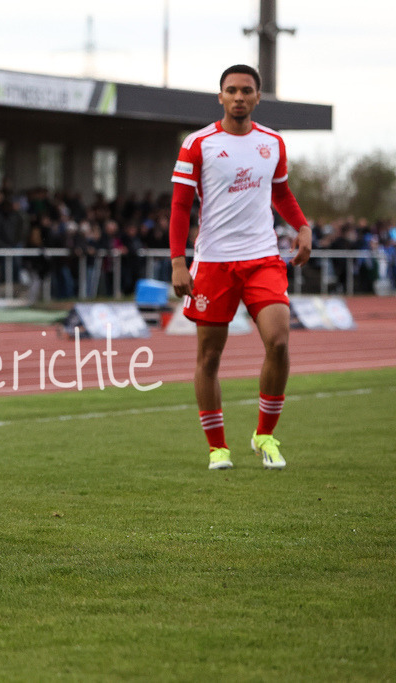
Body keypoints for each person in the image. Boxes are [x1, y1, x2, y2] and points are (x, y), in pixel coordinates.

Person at [169, 64, 312, 471]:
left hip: (263, 258)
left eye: (246, 90)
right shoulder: (198, 144)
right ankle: (218, 447)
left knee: (279, 341)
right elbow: (180, 206)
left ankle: (265, 435)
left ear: (257, 97)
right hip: (213, 263)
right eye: (231, 90)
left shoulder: (273, 142)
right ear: (220, 97)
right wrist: (178, 261)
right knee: (210, 356)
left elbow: (281, 192)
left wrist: (301, 226)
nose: (239, 97)